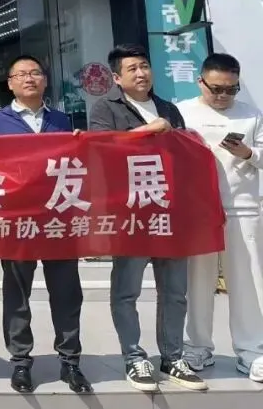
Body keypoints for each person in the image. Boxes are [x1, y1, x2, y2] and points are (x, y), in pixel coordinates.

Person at [88, 43, 206, 392]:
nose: (141, 73)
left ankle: (172, 357)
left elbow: (184, 155)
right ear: (116, 78)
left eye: (144, 66)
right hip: (130, 214)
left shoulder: (168, 108)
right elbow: (99, 150)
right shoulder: (105, 108)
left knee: (175, 292)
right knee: (127, 291)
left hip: (168, 212)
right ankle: (134, 357)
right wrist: (147, 131)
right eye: (132, 69)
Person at [0, 55, 91, 395]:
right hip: (17, 222)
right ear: (10, 83)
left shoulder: (62, 120)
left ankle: (70, 362)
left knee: (67, 292)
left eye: (35, 73)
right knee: (17, 293)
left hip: (59, 219)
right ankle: (20, 362)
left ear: (45, 80)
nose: (29, 79)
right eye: (21, 74)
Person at [179, 53, 263, 381]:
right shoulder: (183, 112)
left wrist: (248, 153)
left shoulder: (251, 114)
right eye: (216, 89)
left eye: (231, 89)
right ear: (200, 81)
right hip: (198, 209)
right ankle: (197, 346)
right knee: (198, 280)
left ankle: (252, 350)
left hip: (242, 206)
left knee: (248, 280)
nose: (223, 95)